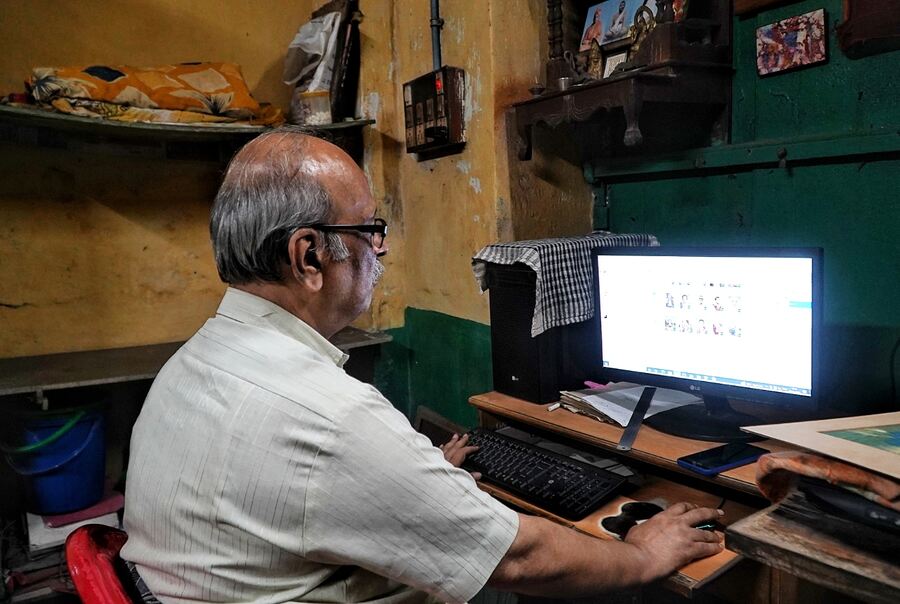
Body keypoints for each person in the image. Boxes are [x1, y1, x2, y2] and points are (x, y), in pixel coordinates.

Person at [122, 129, 723, 604]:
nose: (379, 251)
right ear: (309, 256)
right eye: (369, 231)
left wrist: (414, 476)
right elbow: (517, 559)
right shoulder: (329, 416)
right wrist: (643, 555)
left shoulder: (196, 361)